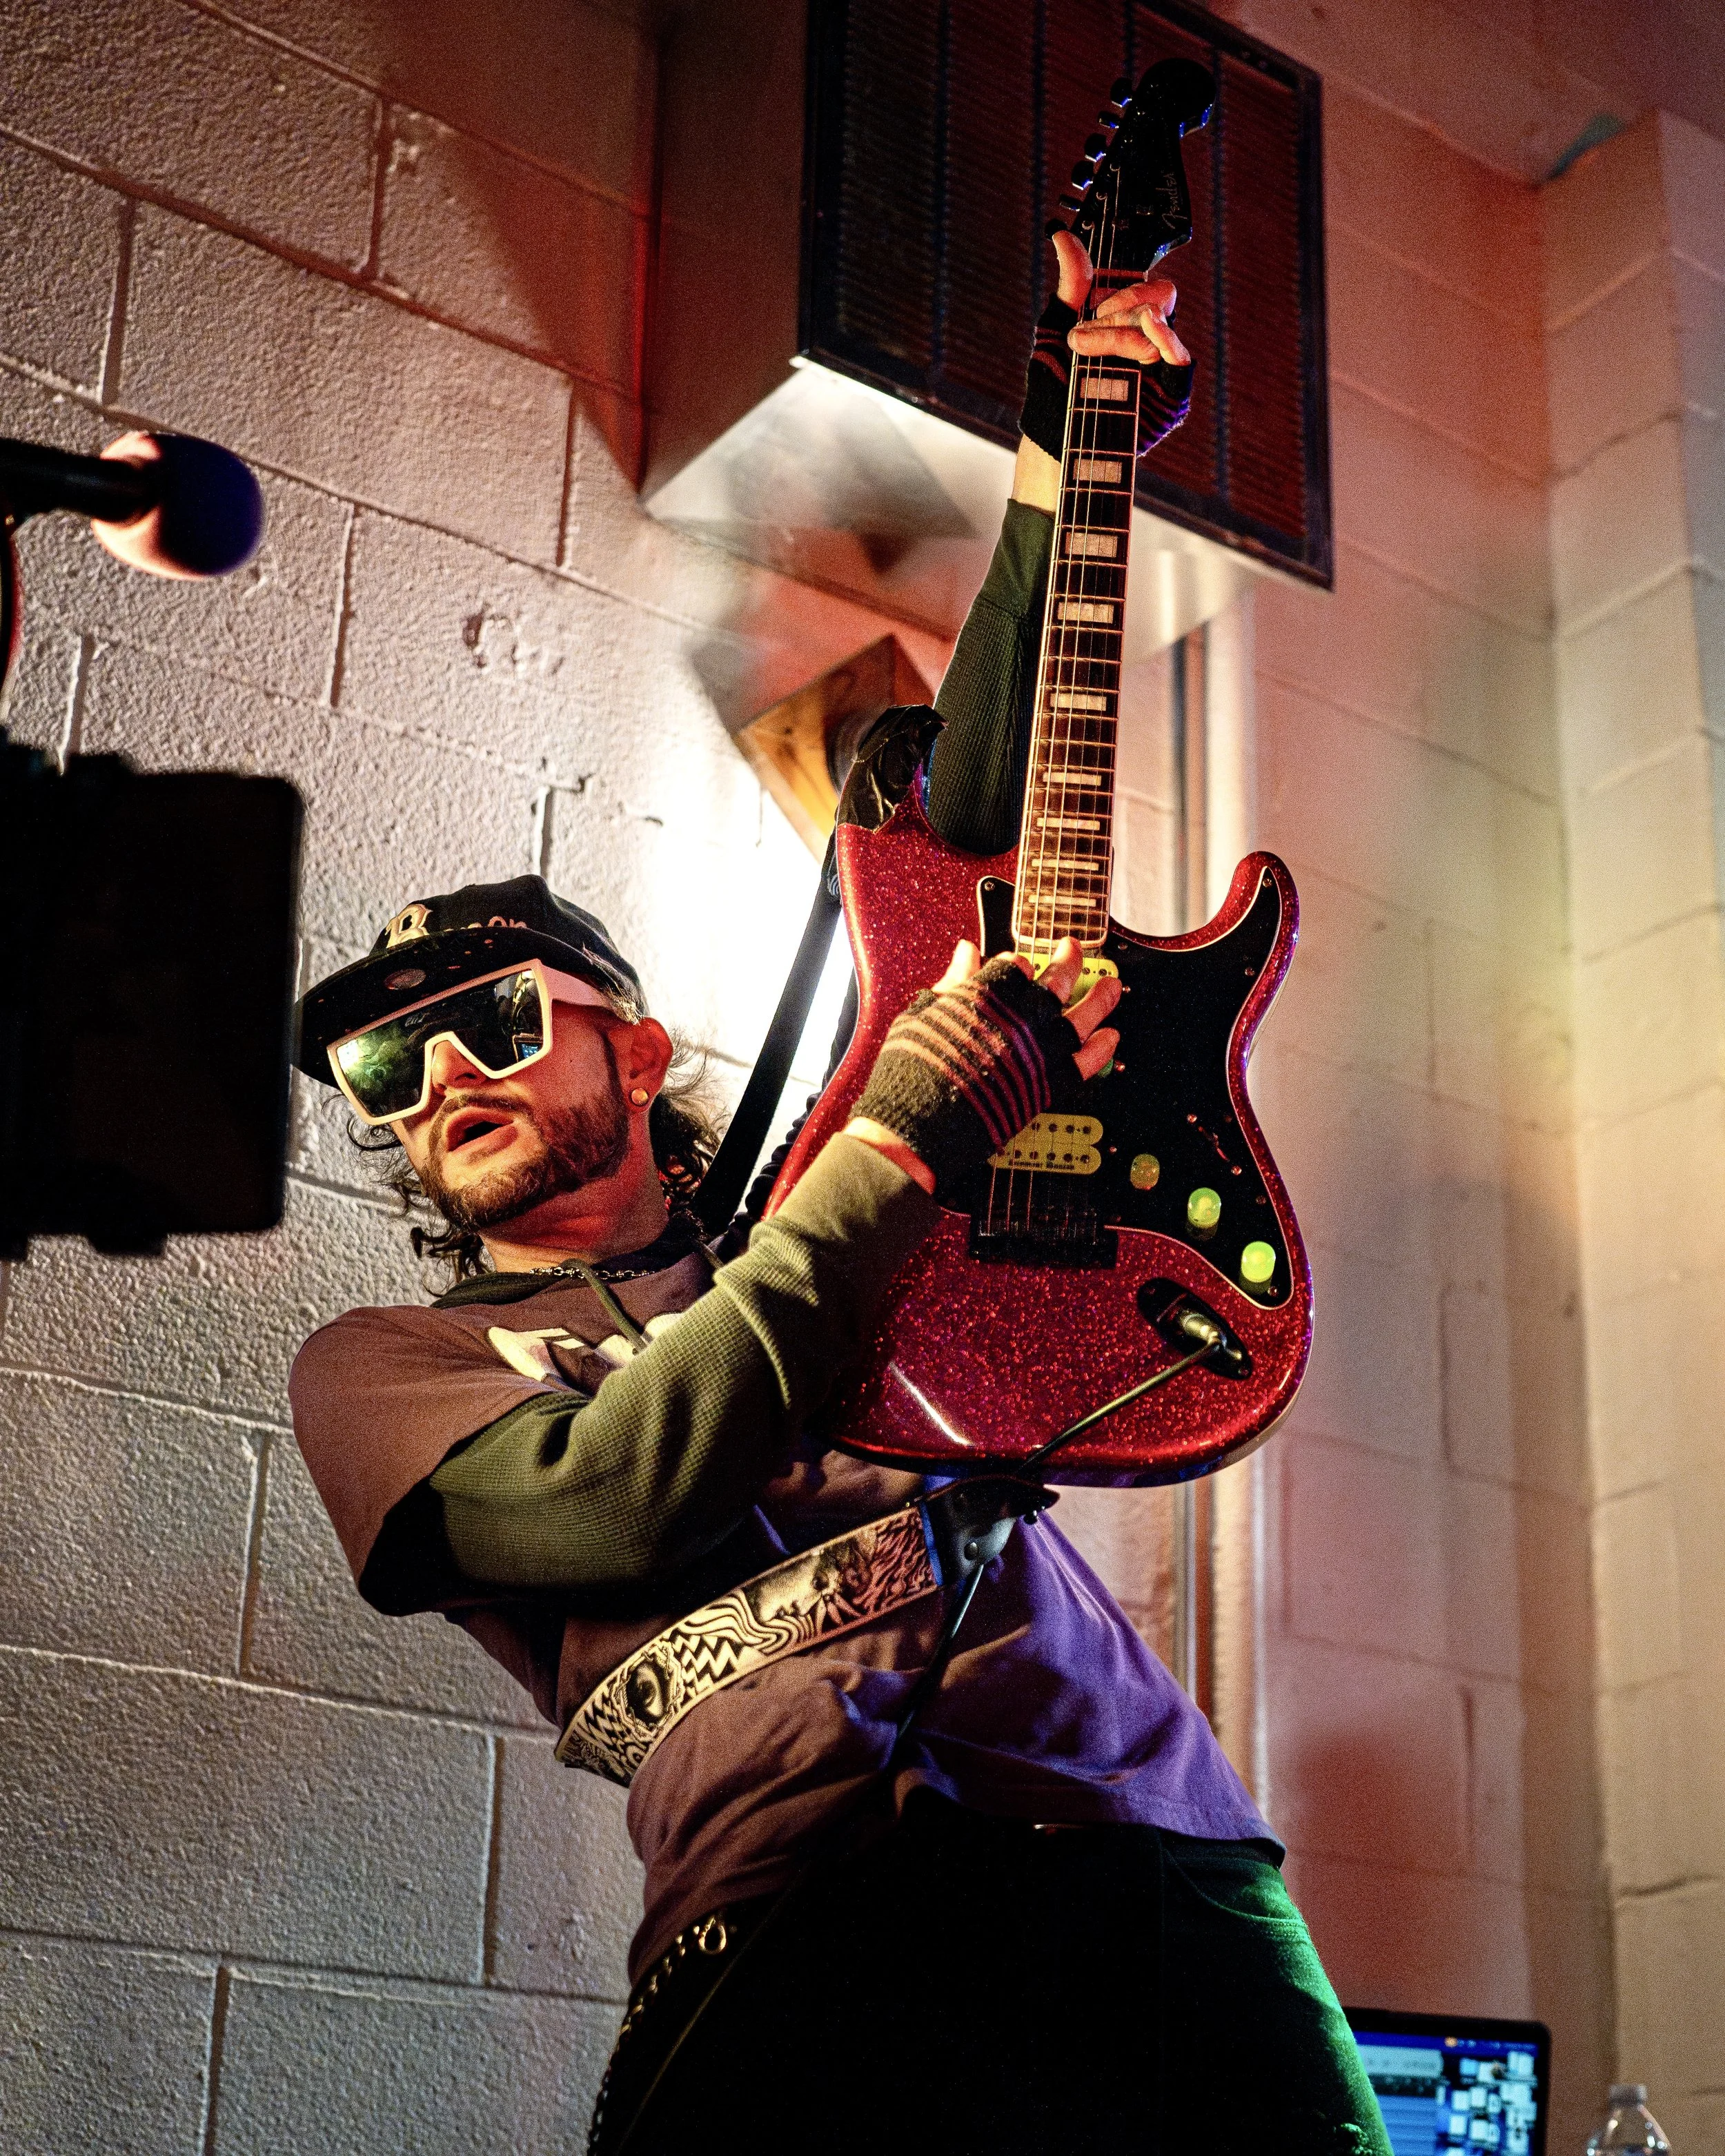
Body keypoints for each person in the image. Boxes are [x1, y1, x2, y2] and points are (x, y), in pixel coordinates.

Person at [288, 237, 1388, 2155]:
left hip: (1153, 1853)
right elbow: (612, 1495)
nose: (439, 1079)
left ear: (632, 1044)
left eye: (491, 1019)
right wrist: (898, 1144)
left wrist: (1070, 440)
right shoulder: (387, 1364)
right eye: (387, 1068)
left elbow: (971, 832)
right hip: (798, 1913)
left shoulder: (830, 1193)